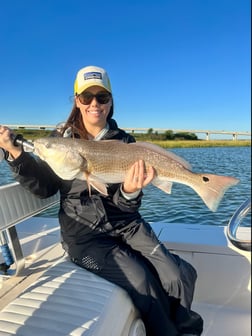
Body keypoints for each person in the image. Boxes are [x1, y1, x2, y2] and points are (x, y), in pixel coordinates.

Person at [0, 65, 203, 336]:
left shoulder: (125, 142)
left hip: (127, 225)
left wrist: (130, 190)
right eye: (86, 97)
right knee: (143, 282)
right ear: (77, 100)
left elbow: (128, 206)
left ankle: (186, 331)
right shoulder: (60, 140)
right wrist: (15, 154)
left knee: (178, 275)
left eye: (102, 97)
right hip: (84, 237)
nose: (94, 103)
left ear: (110, 101)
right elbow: (45, 187)